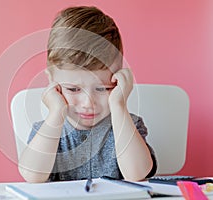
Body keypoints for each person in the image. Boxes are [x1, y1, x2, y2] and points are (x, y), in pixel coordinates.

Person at [18, 6, 157, 183]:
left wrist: (119, 105)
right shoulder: (47, 131)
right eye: (73, 89)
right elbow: (32, 176)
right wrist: (55, 114)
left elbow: (136, 174)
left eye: (102, 88)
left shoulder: (128, 125)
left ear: (117, 82)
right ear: (52, 82)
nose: (88, 103)